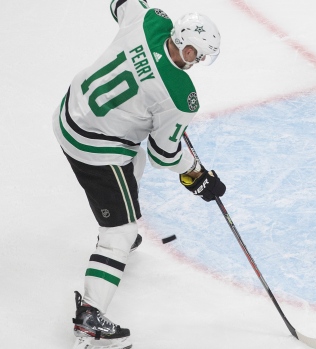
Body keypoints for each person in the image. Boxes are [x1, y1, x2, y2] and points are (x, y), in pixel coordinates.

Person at [52, 1, 226, 346]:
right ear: (184, 44)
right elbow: (166, 154)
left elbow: (121, 3)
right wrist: (196, 174)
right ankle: (89, 317)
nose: (196, 61)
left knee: (136, 161)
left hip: (69, 111)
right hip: (94, 147)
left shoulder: (150, 19)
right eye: (196, 54)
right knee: (119, 231)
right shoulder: (180, 95)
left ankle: (120, 229)